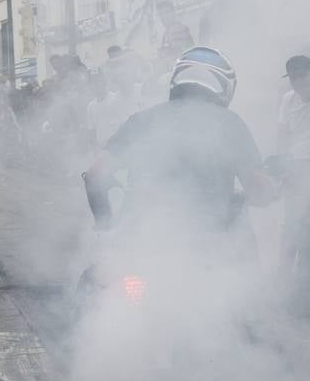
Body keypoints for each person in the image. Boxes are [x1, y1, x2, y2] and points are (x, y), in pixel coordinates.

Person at [83, 45, 276, 248]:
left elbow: (95, 174)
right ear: (224, 86)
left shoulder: (142, 120)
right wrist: (273, 189)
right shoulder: (229, 123)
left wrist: (104, 227)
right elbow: (259, 192)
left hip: (137, 242)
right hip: (207, 249)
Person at [275, 56, 310, 310]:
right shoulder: (287, 99)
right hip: (294, 171)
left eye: (303, 75)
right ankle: (283, 281)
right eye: (294, 78)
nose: (299, 82)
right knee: (290, 228)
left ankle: (307, 285)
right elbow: (283, 135)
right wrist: (283, 167)